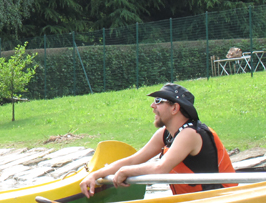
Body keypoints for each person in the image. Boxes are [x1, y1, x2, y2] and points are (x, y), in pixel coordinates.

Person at [79, 83, 237, 197]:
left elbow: (160, 168)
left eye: (158, 101)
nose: (152, 106)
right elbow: (134, 160)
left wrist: (126, 172)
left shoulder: (189, 134)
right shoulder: (165, 134)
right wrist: (95, 175)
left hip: (220, 202)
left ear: (175, 108)